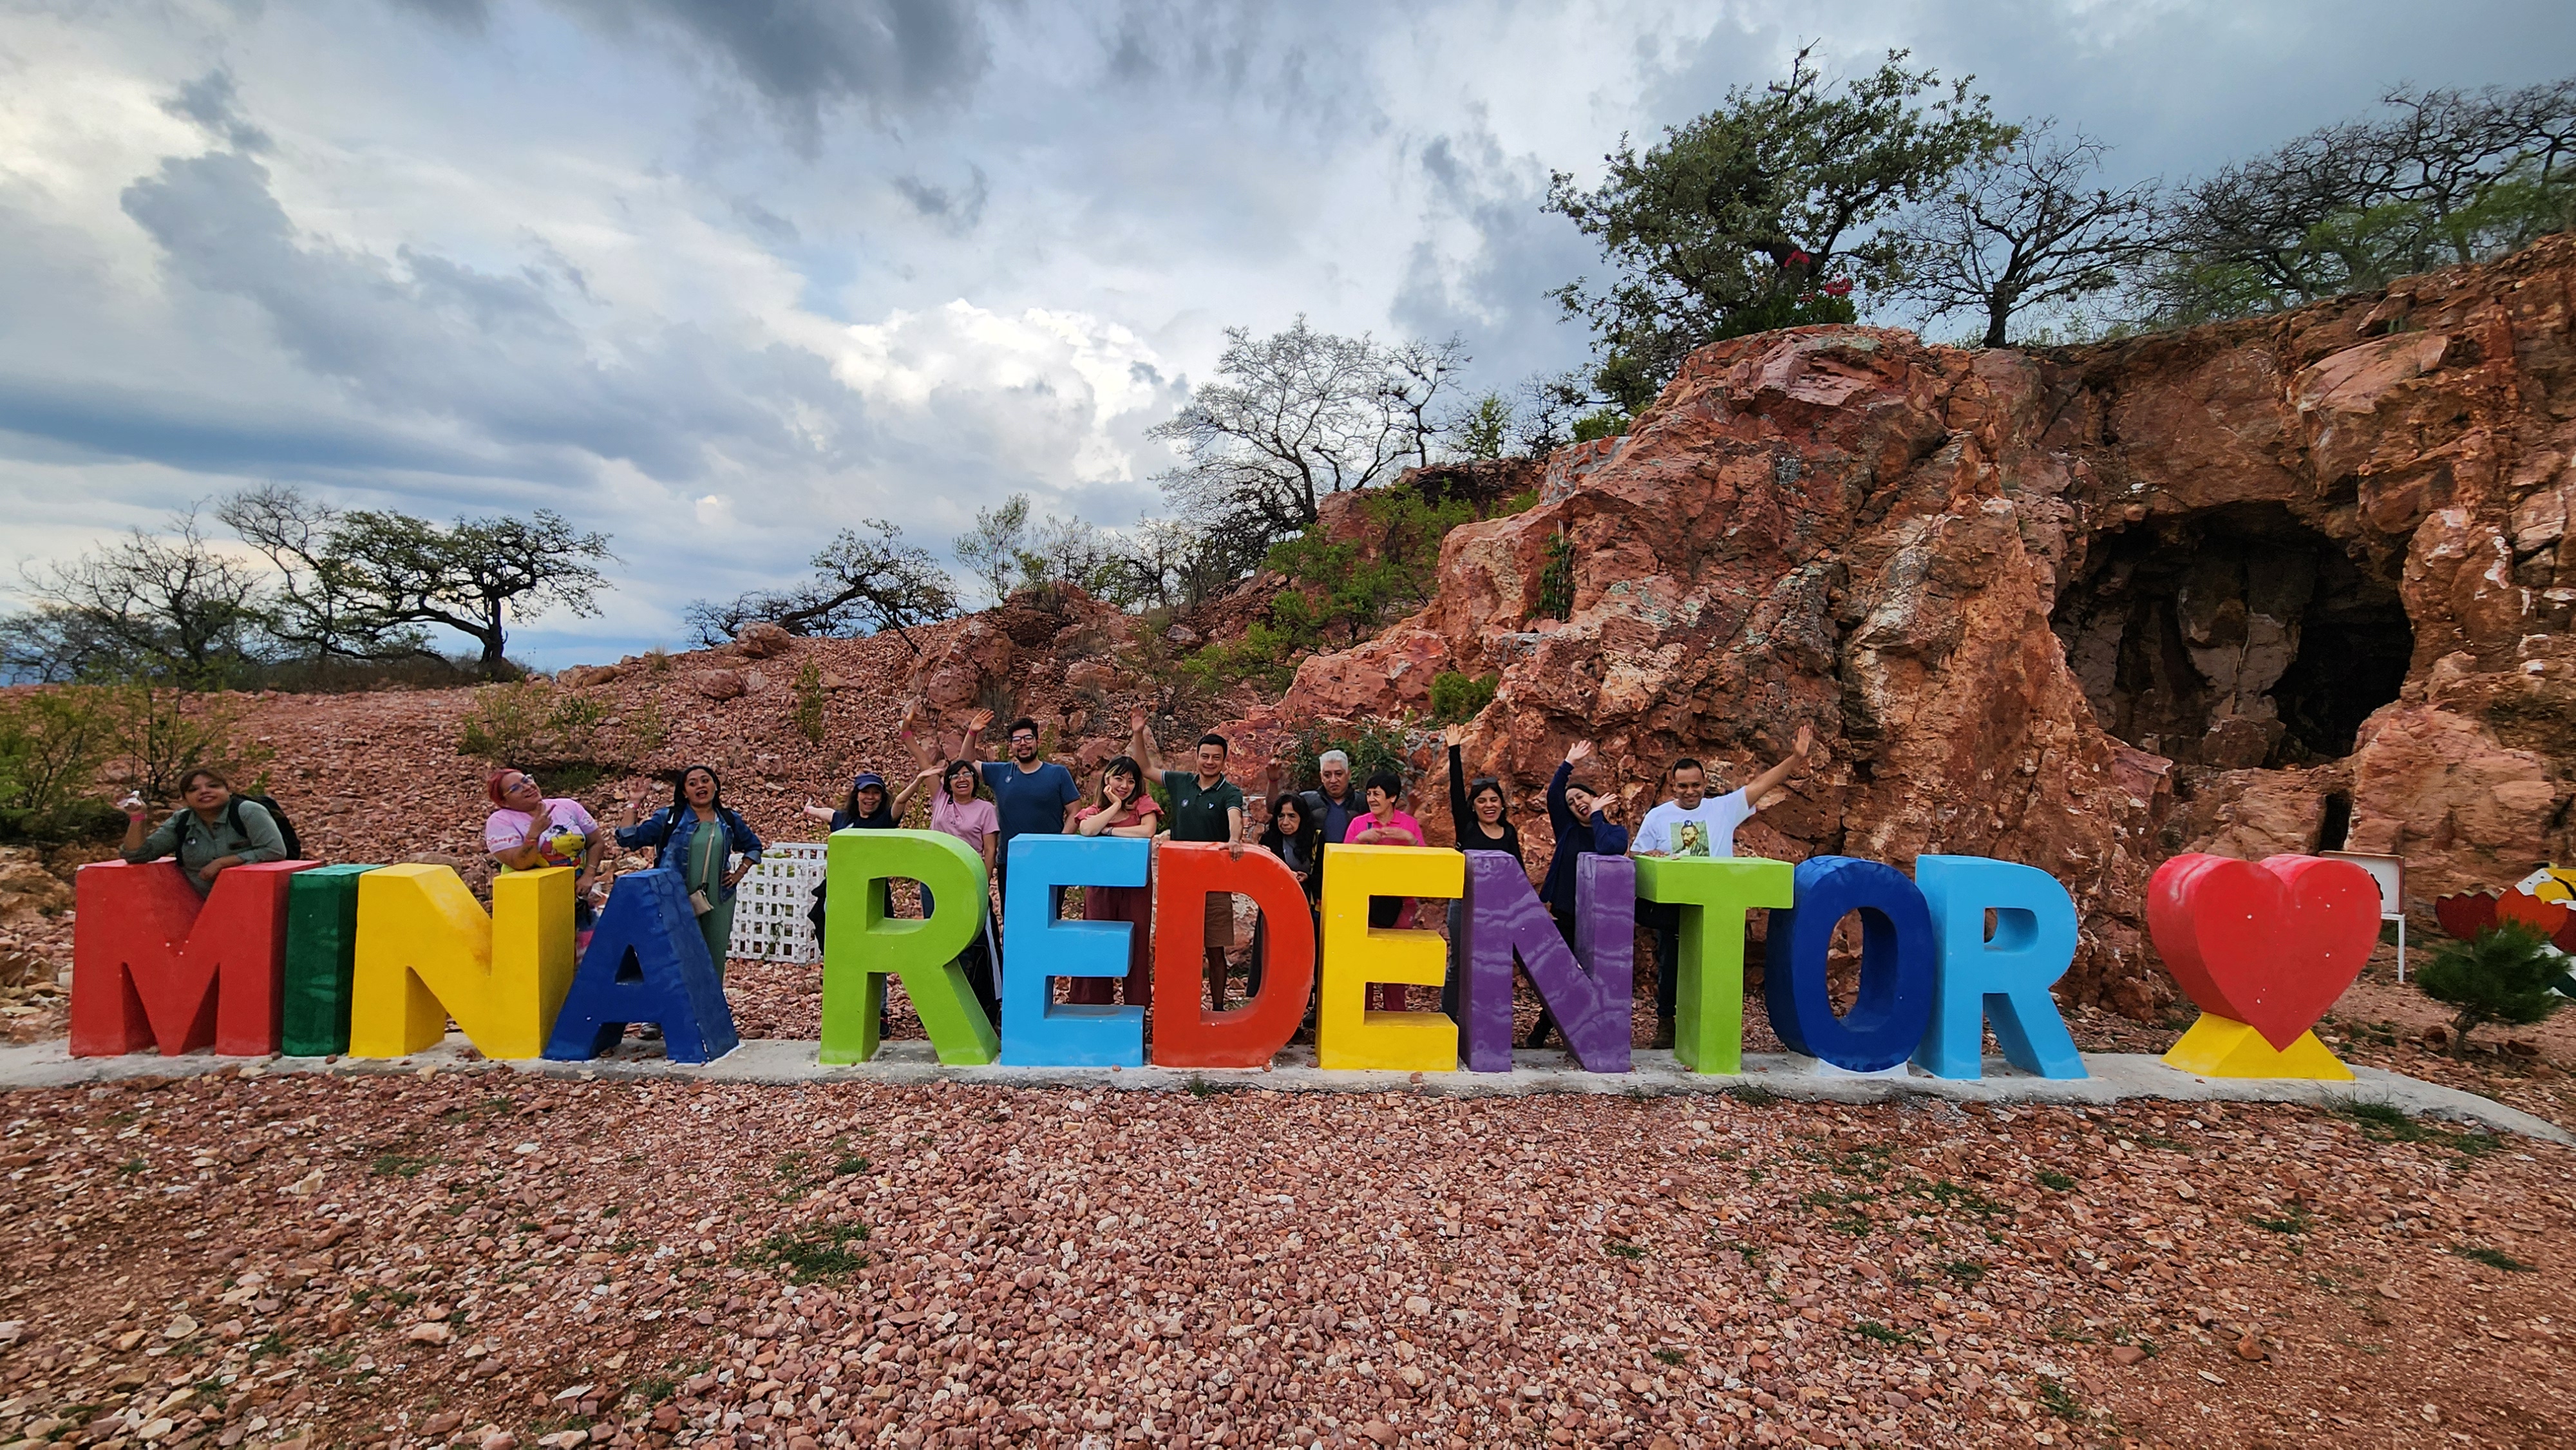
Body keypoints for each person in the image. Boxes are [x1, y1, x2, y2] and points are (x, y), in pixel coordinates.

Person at [1630, 725, 1815, 1049]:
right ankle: (1666, 1023)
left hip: (1716, 906)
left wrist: (1795, 758)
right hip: (1675, 906)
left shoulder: (1722, 809)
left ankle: (1711, 1031)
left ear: (1705, 784)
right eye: (1683, 786)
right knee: (1670, 962)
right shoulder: (1658, 817)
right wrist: (1650, 855)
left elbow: (1761, 785)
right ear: (1672, 786)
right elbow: (1635, 854)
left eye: (1696, 785)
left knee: (1715, 969)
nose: (1690, 792)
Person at [1130, 710, 1249, 1010]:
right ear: (1196, 757)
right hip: (1180, 880)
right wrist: (1138, 733)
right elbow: (1145, 768)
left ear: (1225, 761)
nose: (1209, 762)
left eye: (1216, 758)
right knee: (1180, 948)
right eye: (1205, 756)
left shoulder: (1230, 793)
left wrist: (1234, 839)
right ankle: (1178, 1010)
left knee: (1216, 949)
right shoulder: (1181, 782)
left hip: (1214, 882)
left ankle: (1219, 1008)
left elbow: (1235, 818)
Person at [615, 766, 763, 979]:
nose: (700, 786)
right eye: (692, 783)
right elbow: (628, 839)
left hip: (719, 900)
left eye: (705, 781)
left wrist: (739, 873)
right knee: (676, 956)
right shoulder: (669, 818)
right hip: (674, 898)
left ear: (715, 785)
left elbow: (754, 846)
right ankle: (678, 1009)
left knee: (713, 959)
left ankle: (710, 1009)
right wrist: (634, 803)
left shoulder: (728, 820)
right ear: (684, 792)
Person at [1530, 740, 1629, 1048]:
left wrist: (1597, 815)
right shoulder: (1568, 830)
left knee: (1592, 977)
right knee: (1563, 976)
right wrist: (1568, 762)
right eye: (1571, 802)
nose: (1576, 804)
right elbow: (1553, 796)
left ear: (1595, 799)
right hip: (1566, 914)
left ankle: (1592, 1034)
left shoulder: (1615, 832)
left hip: (1600, 921)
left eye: (1581, 798)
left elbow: (1606, 848)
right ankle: (1544, 1029)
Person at [938, 707, 1080, 919]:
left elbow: (1075, 811)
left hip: (1049, 860)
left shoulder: (1057, 774)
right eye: (1017, 740)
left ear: (1038, 742)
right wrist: (972, 733)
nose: (1023, 743)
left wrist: (1058, 844)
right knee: (1014, 919)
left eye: (1028, 738)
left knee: (1049, 918)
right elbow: (964, 764)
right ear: (1011, 746)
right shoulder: (1001, 772)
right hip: (1011, 862)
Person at [1069, 755, 1164, 1008]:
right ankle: (1092, 1008)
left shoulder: (1143, 803)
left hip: (1136, 889)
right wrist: (1114, 807)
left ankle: (1136, 1010)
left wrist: (1109, 831)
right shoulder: (1097, 809)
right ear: (1107, 779)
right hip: (1102, 887)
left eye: (1131, 781)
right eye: (1119, 778)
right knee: (1097, 942)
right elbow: (1087, 829)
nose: (1125, 785)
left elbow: (1147, 831)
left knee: (1136, 946)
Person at [1441, 724, 1522, 1019]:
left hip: (1499, 909)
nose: (1489, 805)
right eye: (1482, 801)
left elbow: (1519, 873)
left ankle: (1487, 1020)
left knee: (1493, 964)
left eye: (1494, 800)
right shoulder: (1467, 826)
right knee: (1459, 964)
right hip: (1465, 905)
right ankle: (1449, 1018)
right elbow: (1454, 789)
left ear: (1502, 803)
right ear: (1473, 806)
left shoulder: (1510, 832)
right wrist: (1454, 750)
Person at [118, 768, 287, 897]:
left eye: (213, 786)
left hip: (256, 902)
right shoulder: (181, 821)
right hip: (202, 910)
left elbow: (274, 850)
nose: (204, 791)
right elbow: (137, 855)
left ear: (228, 791)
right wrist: (137, 817)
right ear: (184, 799)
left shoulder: (248, 811)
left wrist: (223, 863)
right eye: (193, 789)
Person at [482, 768, 607, 942]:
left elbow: (596, 842)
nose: (527, 787)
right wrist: (533, 835)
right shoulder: (500, 821)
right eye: (516, 788)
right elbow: (520, 863)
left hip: (578, 897)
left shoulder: (567, 806)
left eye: (526, 780)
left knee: (598, 947)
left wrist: (589, 875)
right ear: (504, 801)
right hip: (533, 904)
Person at [922, 757, 1003, 1022]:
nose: (962, 779)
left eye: (967, 774)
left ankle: (990, 1004)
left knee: (981, 942)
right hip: (935, 880)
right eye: (956, 775)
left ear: (975, 781)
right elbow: (923, 762)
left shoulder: (985, 809)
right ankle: (947, 1006)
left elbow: (989, 848)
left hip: (969, 880)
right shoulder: (941, 802)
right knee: (941, 941)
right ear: (948, 782)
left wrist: (984, 879)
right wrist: (908, 730)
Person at [1343, 769, 1427, 1013]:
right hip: (1364, 903)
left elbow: (1427, 864)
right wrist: (1360, 839)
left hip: (1402, 903)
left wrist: (1411, 840)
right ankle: (1361, 1016)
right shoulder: (1359, 823)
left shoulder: (1409, 824)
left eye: (1377, 794)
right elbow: (1342, 862)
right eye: (1369, 794)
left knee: (1394, 966)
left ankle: (1395, 1017)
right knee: (1364, 966)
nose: (1371, 799)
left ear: (1392, 797)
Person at [1251, 791, 1323, 1004]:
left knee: (1298, 962)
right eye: (1281, 816)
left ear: (1302, 817)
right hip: (1274, 911)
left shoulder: (1316, 839)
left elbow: (1324, 874)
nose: (1285, 822)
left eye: (1292, 816)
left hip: (1305, 909)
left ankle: (1299, 1010)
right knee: (1274, 962)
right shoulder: (1270, 839)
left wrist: (1307, 877)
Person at [1298, 749, 1365, 849]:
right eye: (1327, 775)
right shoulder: (1307, 801)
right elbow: (1275, 809)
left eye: (1338, 774)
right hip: (1319, 862)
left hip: (1354, 861)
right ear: (1321, 777)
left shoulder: (1363, 802)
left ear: (1348, 774)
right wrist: (1273, 782)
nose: (1333, 780)